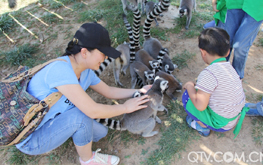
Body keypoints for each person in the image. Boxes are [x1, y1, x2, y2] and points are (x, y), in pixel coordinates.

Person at [15, 22, 151, 165]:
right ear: (84, 52)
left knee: (101, 132)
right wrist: (126, 108)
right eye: (103, 53)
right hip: (30, 138)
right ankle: (87, 160)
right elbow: (93, 111)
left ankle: (68, 130)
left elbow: (109, 91)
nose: (105, 58)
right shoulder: (60, 70)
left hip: (55, 118)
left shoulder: (85, 71)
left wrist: (139, 91)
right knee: (82, 116)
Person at [182, 27, 249, 138]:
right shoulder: (230, 68)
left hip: (221, 124)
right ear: (228, 52)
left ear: (203, 52)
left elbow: (200, 106)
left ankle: (202, 126)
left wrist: (189, 86)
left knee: (187, 96)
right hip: (233, 117)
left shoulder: (209, 73)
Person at [224, 0, 263, 79]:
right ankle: (220, 74)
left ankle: (236, 78)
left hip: (258, 5)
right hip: (234, 3)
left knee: (240, 46)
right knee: (225, 41)